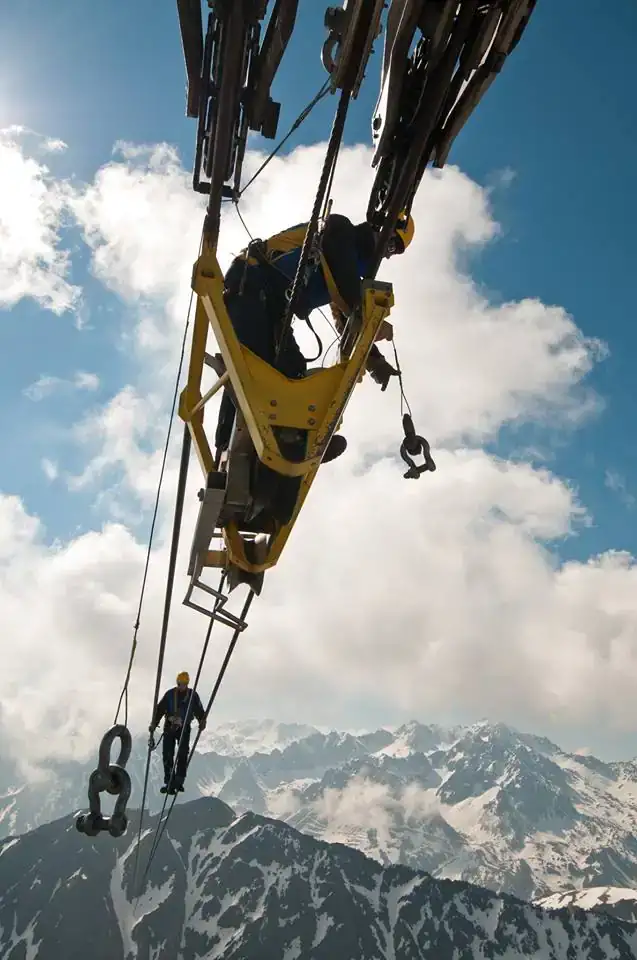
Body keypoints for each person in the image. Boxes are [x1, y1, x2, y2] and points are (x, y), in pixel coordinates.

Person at [214, 211, 415, 465]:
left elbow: (345, 317)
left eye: (395, 251)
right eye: (391, 243)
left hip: (271, 305)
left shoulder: (351, 269)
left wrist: (374, 361)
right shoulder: (339, 230)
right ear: (378, 226)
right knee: (258, 367)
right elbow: (347, 286)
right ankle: (266, 443)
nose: (388, 253)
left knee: (286, 368)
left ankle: (282, 443)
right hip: (251, 282)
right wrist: (369, 317)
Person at [149, 671, 207, 794]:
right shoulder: (170, 695)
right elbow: (159, 709)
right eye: (181, 683)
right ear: (178, 683)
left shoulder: (192, 696)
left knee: (182, 753)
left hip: (184, 728)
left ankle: (179, 780)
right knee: (168, 754)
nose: (182, 686)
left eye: (184, 684)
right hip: (170, 727)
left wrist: (202, 720)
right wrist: (154, 723)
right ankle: (169, 780)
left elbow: (199, 710)